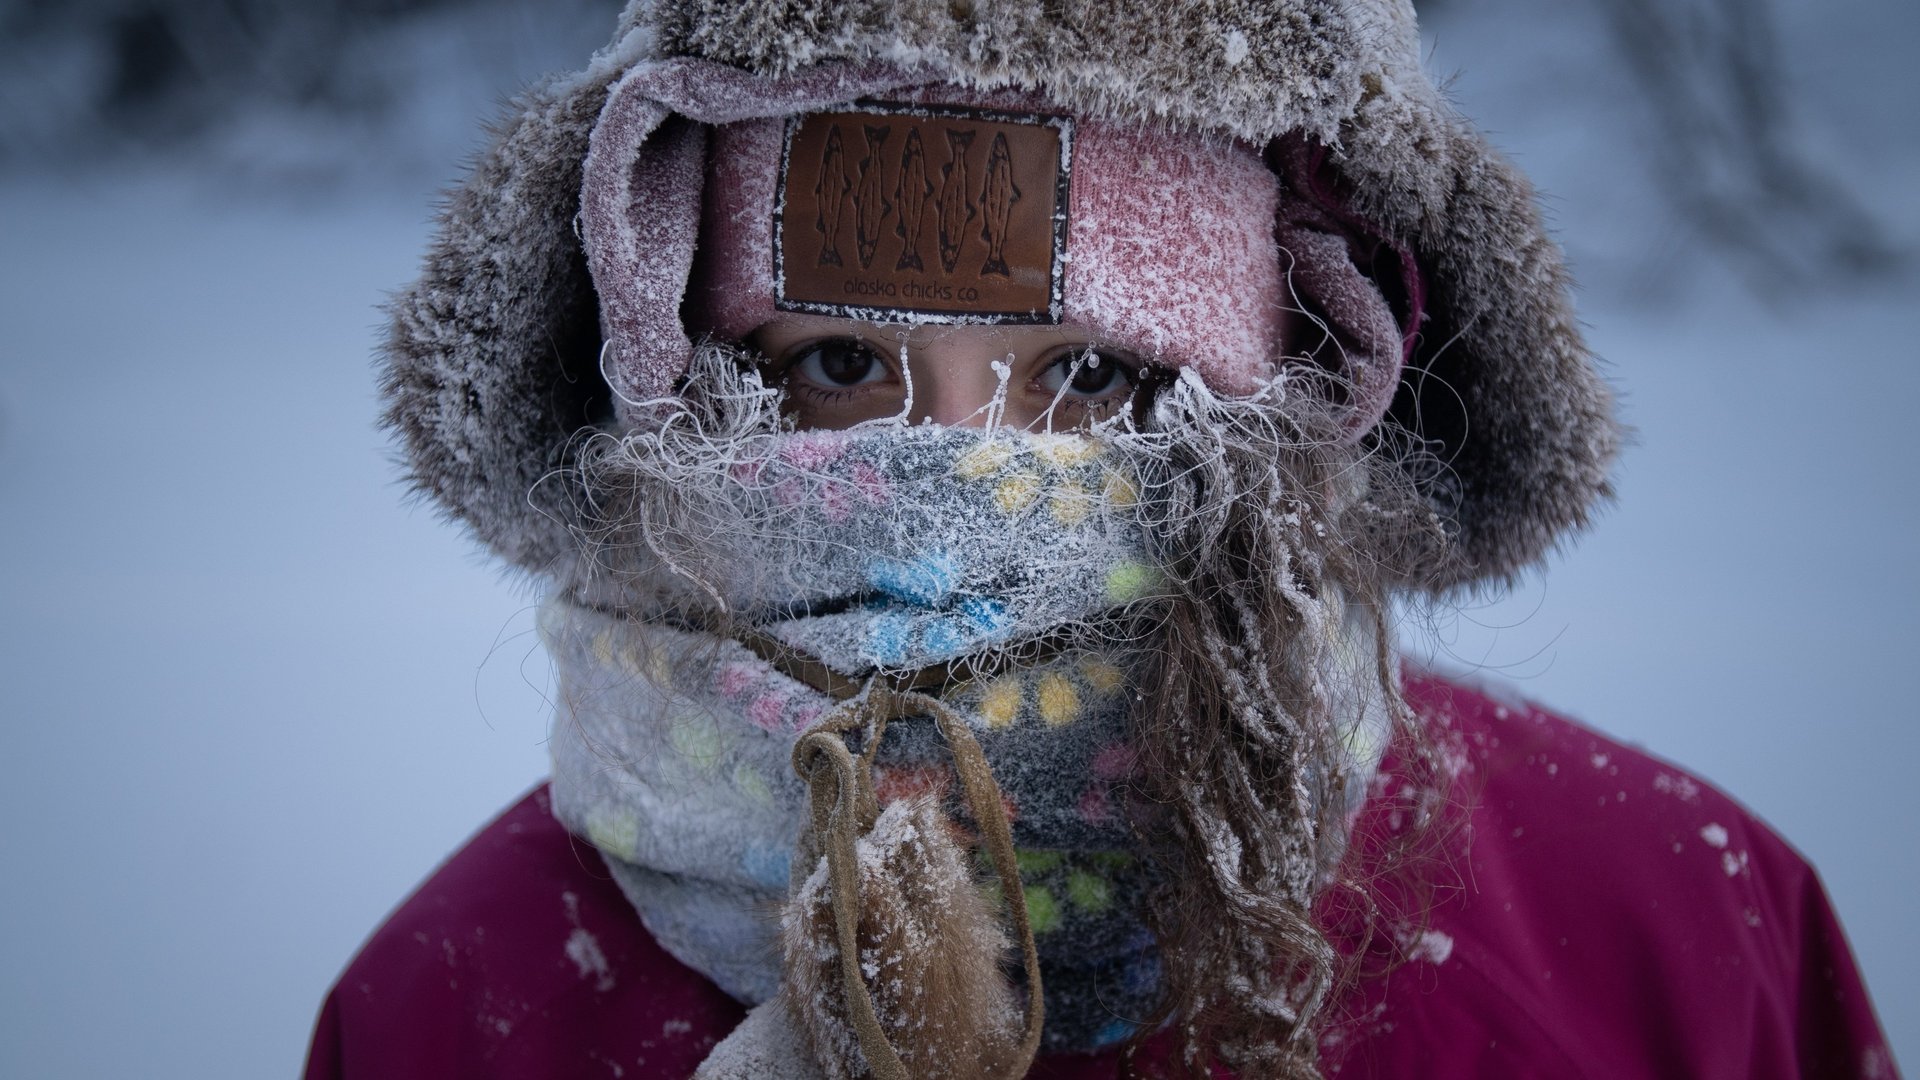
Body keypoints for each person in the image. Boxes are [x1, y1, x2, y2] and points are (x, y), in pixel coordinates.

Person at [304, 1, 1900, 1077]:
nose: (964, 484)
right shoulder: (464, 1001)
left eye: (1098, 378)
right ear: (680, 395)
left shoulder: (1670, 937)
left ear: (1300, 391)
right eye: (840, 369)